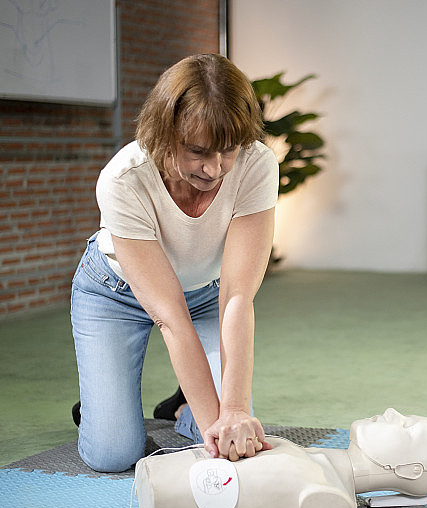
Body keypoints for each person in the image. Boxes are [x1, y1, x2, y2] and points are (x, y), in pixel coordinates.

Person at [70, 53, 279, 472]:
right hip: (114, 295)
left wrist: (233, 411)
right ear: (166, 133)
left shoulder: (256, 165)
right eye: (198, 151)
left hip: (206, 294)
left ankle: (182, 407)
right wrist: (219, 433)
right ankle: (102, 409)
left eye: (227, 150)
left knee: (228, 425)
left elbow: (237, 296)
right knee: (113, 454)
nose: (214, 169)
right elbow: (170, 318)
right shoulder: (124, 179)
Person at [134, 408, 427, 508]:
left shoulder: (329, 499)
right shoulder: (313, 463)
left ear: (411, 471)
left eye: (407, 427)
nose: (392, 412)